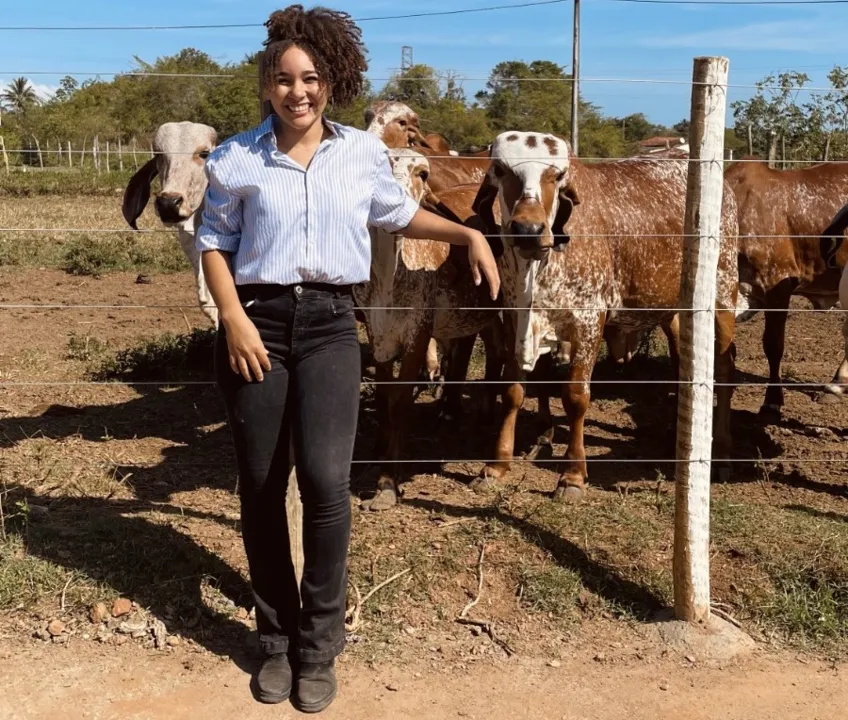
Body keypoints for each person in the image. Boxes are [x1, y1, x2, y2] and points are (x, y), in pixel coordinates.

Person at [196, 5, 500, 714]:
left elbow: (396, 214)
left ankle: (318, 647)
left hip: (332, 323)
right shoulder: (238, 157)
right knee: (263, 485)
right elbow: (213, 242)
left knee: (329, 485)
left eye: (309, 77)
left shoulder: (361, 154)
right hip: (257, 326)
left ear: (332, 80)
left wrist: (467, 236)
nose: (295, 91)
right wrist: (233, 319)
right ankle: (275, 640)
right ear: (266, 86)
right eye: (282, 78)